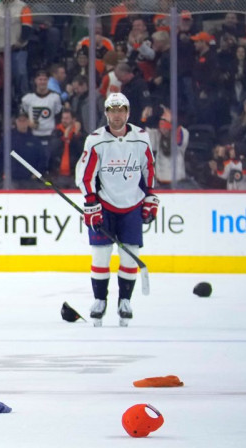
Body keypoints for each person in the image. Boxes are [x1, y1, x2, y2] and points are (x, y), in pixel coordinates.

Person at [75, 93, 157, 328]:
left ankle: (124, 302)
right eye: (113, 110)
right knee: (100, 254)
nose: (117, 114)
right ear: (106, 113)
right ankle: (100, 300)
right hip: (105, 204)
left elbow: (148, 168)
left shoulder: (141, 138)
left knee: (130, 253)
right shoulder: (95, 140)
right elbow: (85, 174)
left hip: (132, 204)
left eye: (121, 110)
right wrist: (91, 203)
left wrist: (150, 196)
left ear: (128, 112)